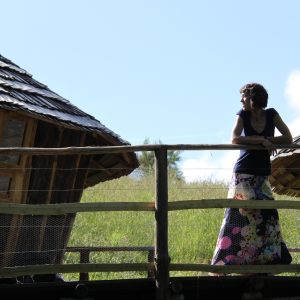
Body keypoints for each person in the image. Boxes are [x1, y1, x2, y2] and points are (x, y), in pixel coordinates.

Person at [211, 82, 293, 273]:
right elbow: (235, 138)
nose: (241, 100)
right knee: (238, 217)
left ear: (252, 98)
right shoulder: (242, 115)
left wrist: (268, 141)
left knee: (268, 216)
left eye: (244, 96)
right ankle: (227, 262)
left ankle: (270, 260)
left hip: (262, 173)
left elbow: (287, 138)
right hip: (243, 173)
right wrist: (260, 140)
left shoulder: (271, 114)